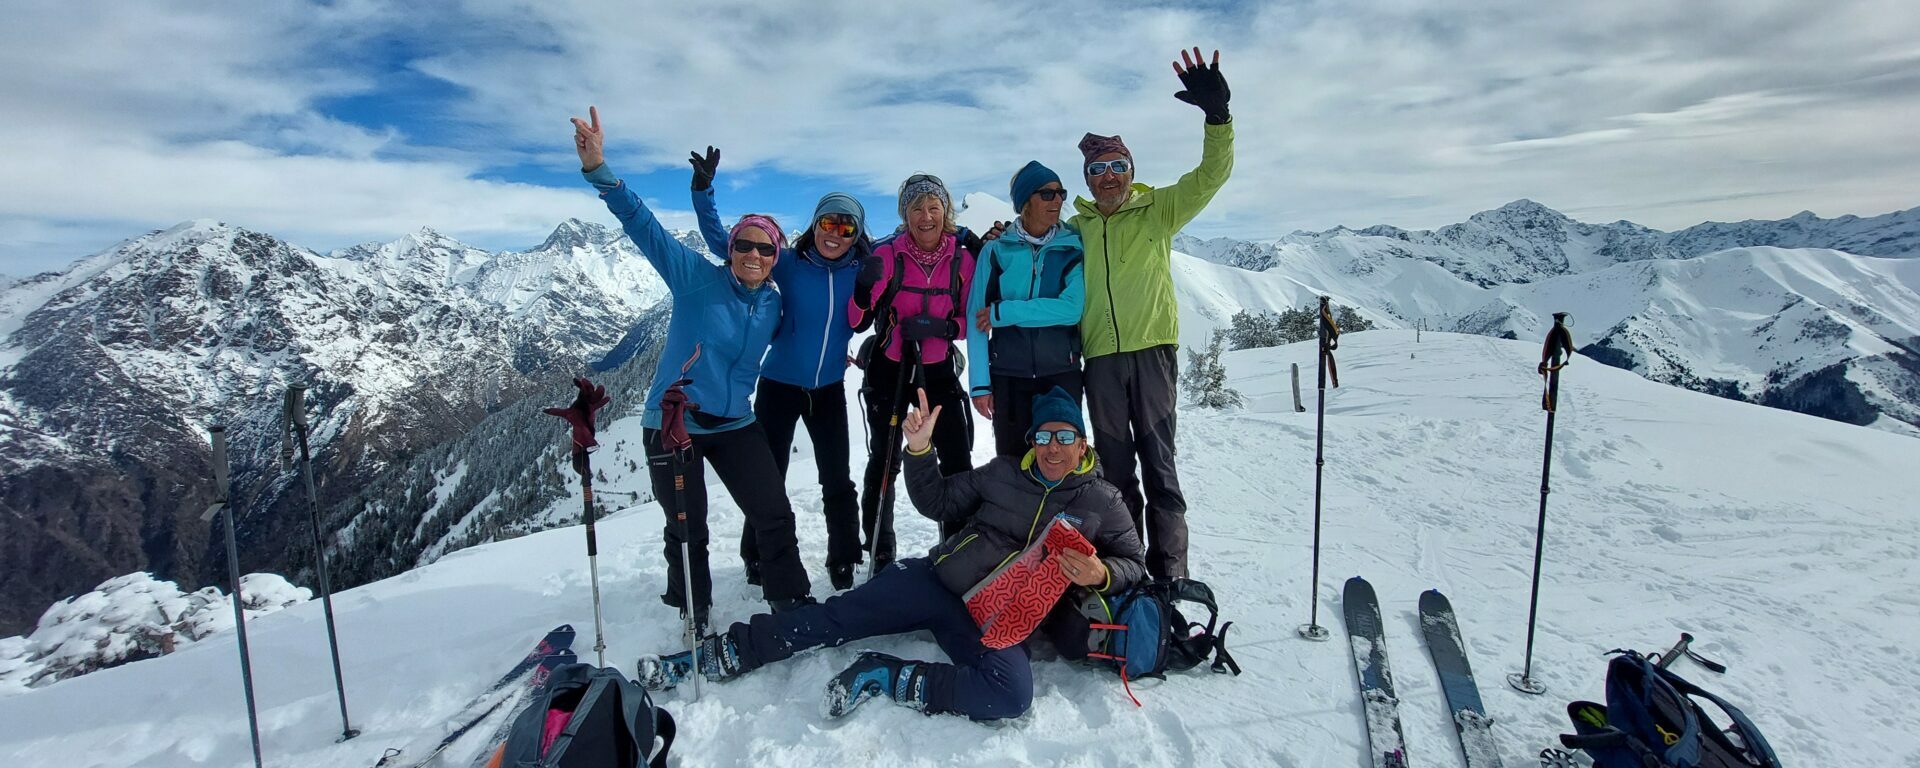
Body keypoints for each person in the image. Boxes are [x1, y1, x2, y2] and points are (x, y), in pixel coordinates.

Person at [635, 386, 1146, 722]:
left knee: (1010, 695)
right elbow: (937, 501)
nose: (1053, 447)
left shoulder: (1101, 501)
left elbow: (1134, 563)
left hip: (997, 622)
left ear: (1083, 444)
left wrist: (1100, 573)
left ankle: (885, 675)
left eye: (1065, 436)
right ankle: (720, 653)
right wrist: (920, 451)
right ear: (1033, 440)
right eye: (1045, 436)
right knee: (835, 619)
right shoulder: (1003, 472)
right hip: (935, 582)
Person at [569, 107, 813, 626]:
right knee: (687, 527)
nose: (752, 254)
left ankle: (790, 602)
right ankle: (693, 610)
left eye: (764, 248)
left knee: (773, 513)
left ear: (776, 257)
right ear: (731, 249)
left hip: (734, 422)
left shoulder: (774, 302)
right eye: (743, 244)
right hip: (672, 423)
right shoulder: (696, 279)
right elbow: (646, 227)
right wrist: (599, 171)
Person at [1071, 47, 1234, 580]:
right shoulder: (1076, 229)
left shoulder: (1158, 209)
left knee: (1160, 469)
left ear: (1131, 171)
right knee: (1115, 477)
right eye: (1099, 169)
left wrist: (1218, 118)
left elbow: (1210, 176)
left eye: (1118, 166)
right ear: (1088, 179)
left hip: (1152, 357)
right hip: (1100, 361)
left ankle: (1171, 577)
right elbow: (1031, 242)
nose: (1109, 176)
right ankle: (1127, 571)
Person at [687, 148, 869, 591]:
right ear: (815, 224)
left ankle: (844, 558)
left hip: (828, 389)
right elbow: (724, 243)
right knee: (769, 480)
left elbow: (914, 244)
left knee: (837, 479)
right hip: (779, 386)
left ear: (856, 234)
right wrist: (703, 193)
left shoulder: (863, 270)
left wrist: (970, 238)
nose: (835, 233)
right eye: (828, 223)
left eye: (846, 227)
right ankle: (757, 555)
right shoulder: (788, 262)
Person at [847, 174, 976, 572]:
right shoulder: (889, 254)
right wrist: (862, 290)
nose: (926, 216)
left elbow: (972, 319)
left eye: (934, 207)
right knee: (885, 460)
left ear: (945, 212)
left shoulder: (962, 259)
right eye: (916, 208)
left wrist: (945, 328)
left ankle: (957, 546)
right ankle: (880, 548)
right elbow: (856, 320)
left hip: (938, 372)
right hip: (890, 369)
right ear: (905, 214)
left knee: (957, 461)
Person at [966, 161, 1087, 457]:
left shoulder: (1071, 248)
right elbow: (975, 317)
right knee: (1011, 463)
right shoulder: (995, 251)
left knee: (1062, 461)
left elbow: (1071, 310)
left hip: (1061, 373)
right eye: (1047, 194)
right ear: (1024, 202)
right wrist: (980, 385)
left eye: (1060, 193)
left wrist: (1004, 313)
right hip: (1009, 375)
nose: (1057, 200)